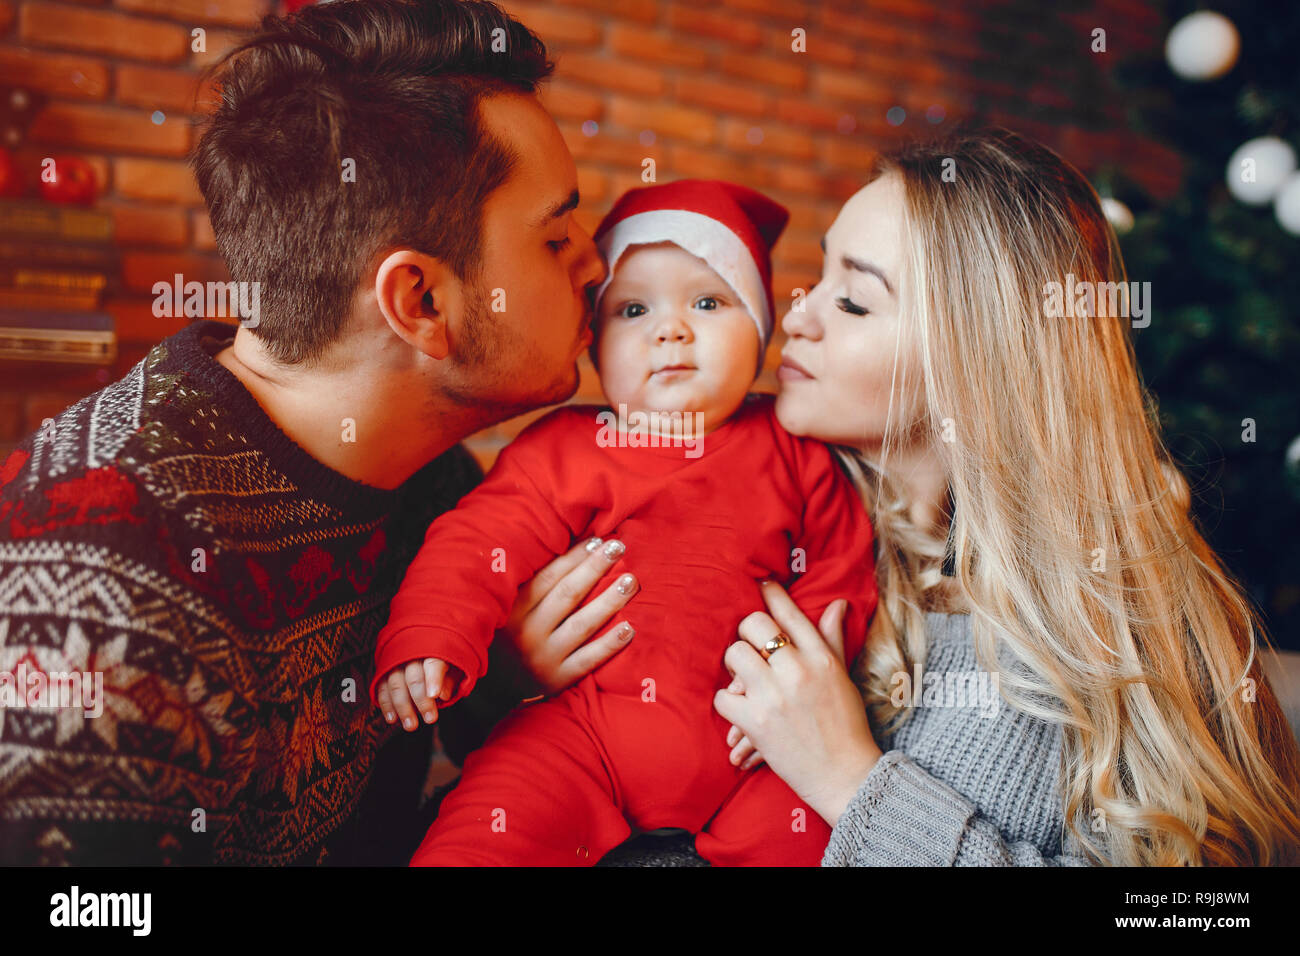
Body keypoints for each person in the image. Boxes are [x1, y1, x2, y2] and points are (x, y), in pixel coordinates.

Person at [486, 128, 1300, 866]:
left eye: (853, 299)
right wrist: (511, 679)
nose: (795, 315)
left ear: (974, 356)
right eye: (816, 276)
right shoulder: (778, 513)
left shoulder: (1132, 618)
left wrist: (854, 785)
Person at [0, 0, 617, 865]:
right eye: (556, 237)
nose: (596, 261)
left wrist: (494, 688)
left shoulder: (434, 483)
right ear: (422, 303)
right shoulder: (100, 586)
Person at [371, 179, 877, 866]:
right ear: (595, 344)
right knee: (484, 829)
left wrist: (800, 695)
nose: (670, 330)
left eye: (708, 301)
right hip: (580, 737)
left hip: (755, 749)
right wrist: (430, 634)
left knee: (812, 838)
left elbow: (841, 575)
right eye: (633, 309)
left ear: (759, 332)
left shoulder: (794, 448)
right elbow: (475, 542)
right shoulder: (565, 447)